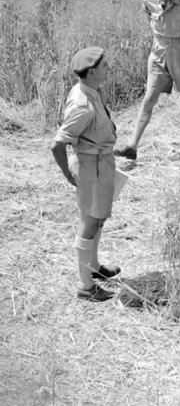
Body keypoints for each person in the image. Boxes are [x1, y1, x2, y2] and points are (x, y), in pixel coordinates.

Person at [51, 47, 120, 302]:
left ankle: (93, 266)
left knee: (97, 218)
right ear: (91, 72)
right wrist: (68, 174)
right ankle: (85, 285)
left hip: (100, 164)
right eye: (104, 66)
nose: (108, 69)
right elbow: (57, 144)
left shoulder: (90, 91)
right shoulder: (83, 106)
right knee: (89, 223)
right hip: (92, 168)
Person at [114, 0, 180, 168]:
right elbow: (149, 19)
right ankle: (132, 146)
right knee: (149, 98)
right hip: (158, 52)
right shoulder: (149, 0)